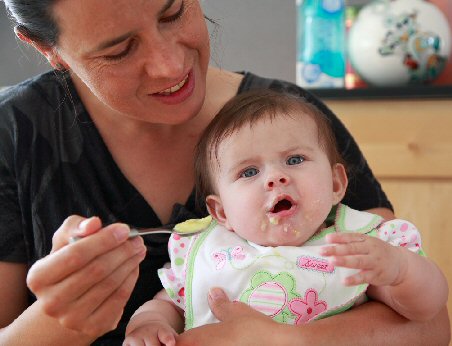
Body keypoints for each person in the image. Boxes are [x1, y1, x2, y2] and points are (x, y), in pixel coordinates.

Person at [0, 0, 449, 345]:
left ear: (337, 183)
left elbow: (428, 325)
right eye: (118, 51)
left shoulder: (293, 124)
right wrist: (61, 322)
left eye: (174, 12)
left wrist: (288, 340)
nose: (170, 66)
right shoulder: (13, 134)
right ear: (46, 49)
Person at [123, 90, 448, 345]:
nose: (275, 177)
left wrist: (401, 270)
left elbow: (425, 310)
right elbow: (167, 303)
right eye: (249, 171)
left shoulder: (356, 246)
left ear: (336, 183)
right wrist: (149, 324)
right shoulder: (208, 253)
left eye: (294, 159)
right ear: (222, 212)